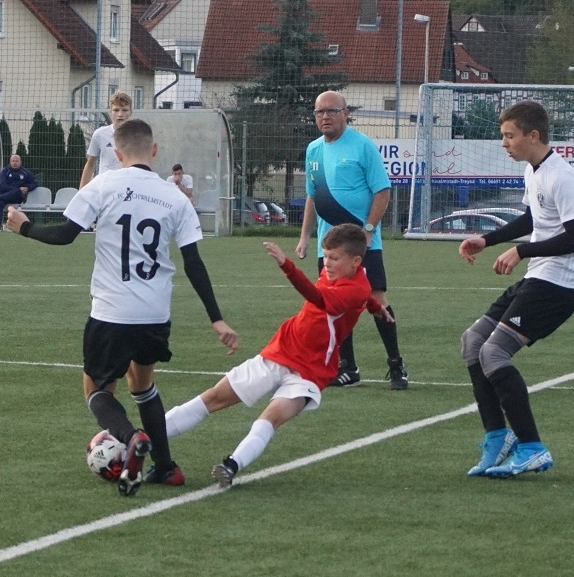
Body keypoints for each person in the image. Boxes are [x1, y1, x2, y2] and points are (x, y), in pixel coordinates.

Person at [6, 119, 239, 496]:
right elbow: (194, 263)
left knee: (96, 390)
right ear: (154, 150)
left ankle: (132, 439)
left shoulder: (103, 185)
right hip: (154, 314)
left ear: (116, 153)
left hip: (112, 311)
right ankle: (166, 467)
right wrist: (217, 319)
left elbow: (65, 234)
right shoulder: (174, 197)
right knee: (143, 386)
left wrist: (25, 227)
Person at [163, 224, 393, 488]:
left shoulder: (355, 289)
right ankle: (145, 438)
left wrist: (287, 265)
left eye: (334, 258)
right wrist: (376, 307)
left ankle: (231, 465)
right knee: (213, 398)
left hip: (310, 372)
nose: (327, 263)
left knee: (271, 417)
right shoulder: (352, 277)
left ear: (356, 261)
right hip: (280, 351)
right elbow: (364, 297)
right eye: (326, 256)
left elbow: (318, 296)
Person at [458, 100, 574, 478]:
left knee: (494, 352)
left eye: (509, 136)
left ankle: (532, 447)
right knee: (473, 342)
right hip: (539, 277)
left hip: (559, 285)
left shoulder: (562, 177)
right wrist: (487, 240)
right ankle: (498, 436)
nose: (504, 143)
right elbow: (533, 219)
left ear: (533, 135)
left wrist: (521, 251)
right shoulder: (534, 171)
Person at [296, 90, 408, 390]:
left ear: (345, 114)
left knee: (376, 298)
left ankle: (396, 364)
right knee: (335, 303)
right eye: (319, 112)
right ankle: (348, 368)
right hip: (329, 244)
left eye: (331, 111)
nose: (325, 116)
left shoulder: (362, 145)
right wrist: (305, 236)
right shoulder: (313, 150)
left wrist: (368, 230)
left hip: (361, 243)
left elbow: (382, 190)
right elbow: (312, 196)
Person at [79, 91, 133, 188]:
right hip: (105, 188)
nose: (120, 114)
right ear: (110, 112)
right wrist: (81, 191)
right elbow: (90, 164)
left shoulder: (137, 136)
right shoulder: (100, 134)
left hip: (127, 188)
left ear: (130, 112)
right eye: (116, 110)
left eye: (124, 110)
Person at [0, 154, 37, 231]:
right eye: (13, 161)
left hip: (17, 197)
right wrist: (16, 189)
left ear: (20, 162)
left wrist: (27, 188)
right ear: (10, 162)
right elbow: (3, 185)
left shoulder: (25, 172)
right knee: (0, 202)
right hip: (5, 194)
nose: (15, 163)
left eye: (17, 161)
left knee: (17, 192)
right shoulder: (5, 172)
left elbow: (34, 183)